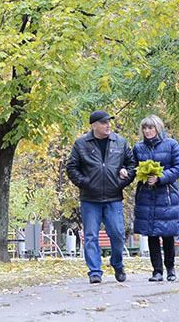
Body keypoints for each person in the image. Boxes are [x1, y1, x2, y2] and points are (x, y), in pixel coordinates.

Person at [67, 110, 137, 284]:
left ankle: (117, 263)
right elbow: (71, 168)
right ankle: (95, 271)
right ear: (94, 125)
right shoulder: (81, 144)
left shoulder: (120, 142)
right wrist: (86, 183)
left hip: (113, 198)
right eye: (104, 122)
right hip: (90, 199)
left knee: (118, 234)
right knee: (91, 236)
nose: (108, 125)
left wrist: (124, 177)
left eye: (109, 122)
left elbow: (132, 164)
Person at [132, 115, 179, 282]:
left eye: (151, 128)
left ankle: (170, 268)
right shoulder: (138, 148)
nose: (147, 131)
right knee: (152, 234)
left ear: (158, 128)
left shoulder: (171, 145)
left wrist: (160, 177)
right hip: (146, 195)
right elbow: (132, 166)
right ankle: (156, 271)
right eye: (145, 128)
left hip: (166, 195)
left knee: (168, 233)